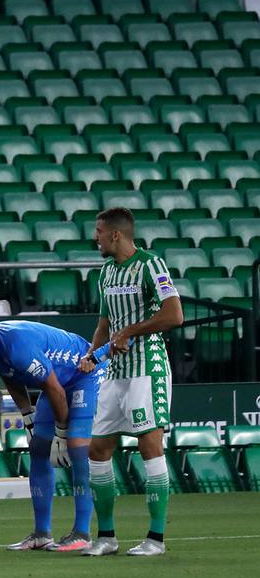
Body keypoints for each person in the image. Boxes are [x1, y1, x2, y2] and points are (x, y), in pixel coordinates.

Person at [78, 207, 184, 557]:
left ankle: (156, 539)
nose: (94, 237)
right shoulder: (106, 272)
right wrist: (92, 355)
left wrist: (132, 331)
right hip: (116, 371)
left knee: (149, 447)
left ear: (115, 234)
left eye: (98, 231)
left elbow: (174, 315)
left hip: (146, 369)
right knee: (98, 449)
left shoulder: (152, 265)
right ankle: (106, 537)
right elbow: (105, 323)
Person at [0, 311, 98, 552]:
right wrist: (28, 418)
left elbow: (56, 391)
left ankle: (82, 532)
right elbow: (10, 376)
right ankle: (42, 534)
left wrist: (61, 435)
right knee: (38, 447)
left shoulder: (17, 347)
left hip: (83, 375)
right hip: (56, 383)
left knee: (77, 449)